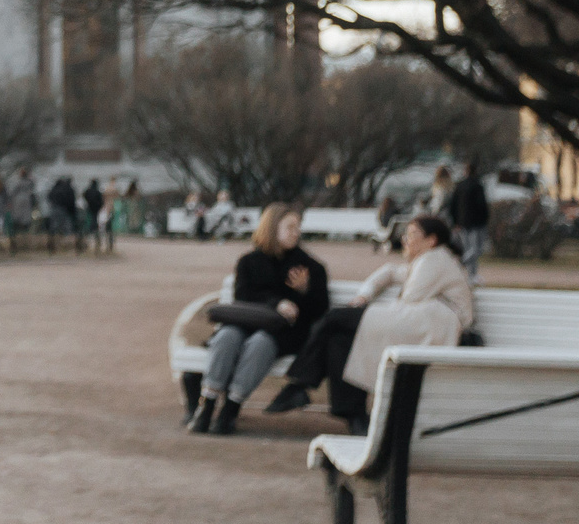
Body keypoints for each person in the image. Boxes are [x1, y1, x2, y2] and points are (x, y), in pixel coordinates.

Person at [271, 213, 475, 428]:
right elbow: (389, 272)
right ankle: (353, 416)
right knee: (338, 339)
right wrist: (365, 295)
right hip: (421, 324)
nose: (406, 239)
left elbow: (410, 298)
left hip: (435, 326)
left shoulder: (435, 260)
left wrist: (367, 304)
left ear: (431, 240)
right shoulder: (429, 260)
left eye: (413, 234)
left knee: (335, 319)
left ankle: (300, 385)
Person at [187, 202, 329, 436]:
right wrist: (277, 302)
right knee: (226, 337)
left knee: (260, 344)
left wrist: (304, 292)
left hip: (283, 334)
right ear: (272, 228)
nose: (296, 232)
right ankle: (207, 404)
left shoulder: (310, 268)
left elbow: (320, 310)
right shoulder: (249, 261)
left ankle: (230, 410)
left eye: (298, 227)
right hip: (245, 323)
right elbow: (243, 296)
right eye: (290, 227)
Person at [447, 162, 492, 281]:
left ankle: (471, 274)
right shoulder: (477, 186)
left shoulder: (459, 186)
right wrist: (485, 219)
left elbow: (453, 205)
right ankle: (466, 268)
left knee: (468, 248)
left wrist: (455, 221)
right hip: (476, 223)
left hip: (462, 222)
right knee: (476, 249)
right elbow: (482, 205)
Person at [45, 174, 79, 247]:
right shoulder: (67, 189)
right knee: (66, 227)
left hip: (54, 208)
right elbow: (70, 201)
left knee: (54, 227)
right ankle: (67, 244)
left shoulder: (54, 189)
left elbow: (49, 197)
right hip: (64, 209)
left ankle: (52, 243)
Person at [83, 177, 106, 251]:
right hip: (96, 207)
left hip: (89, 206)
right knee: (94, 218)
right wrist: (99, 205)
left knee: (90, 218)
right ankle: (93, 229)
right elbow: (101, 200)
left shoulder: (88, 190)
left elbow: (85, 195)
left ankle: (90, 230)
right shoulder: (97, 191)